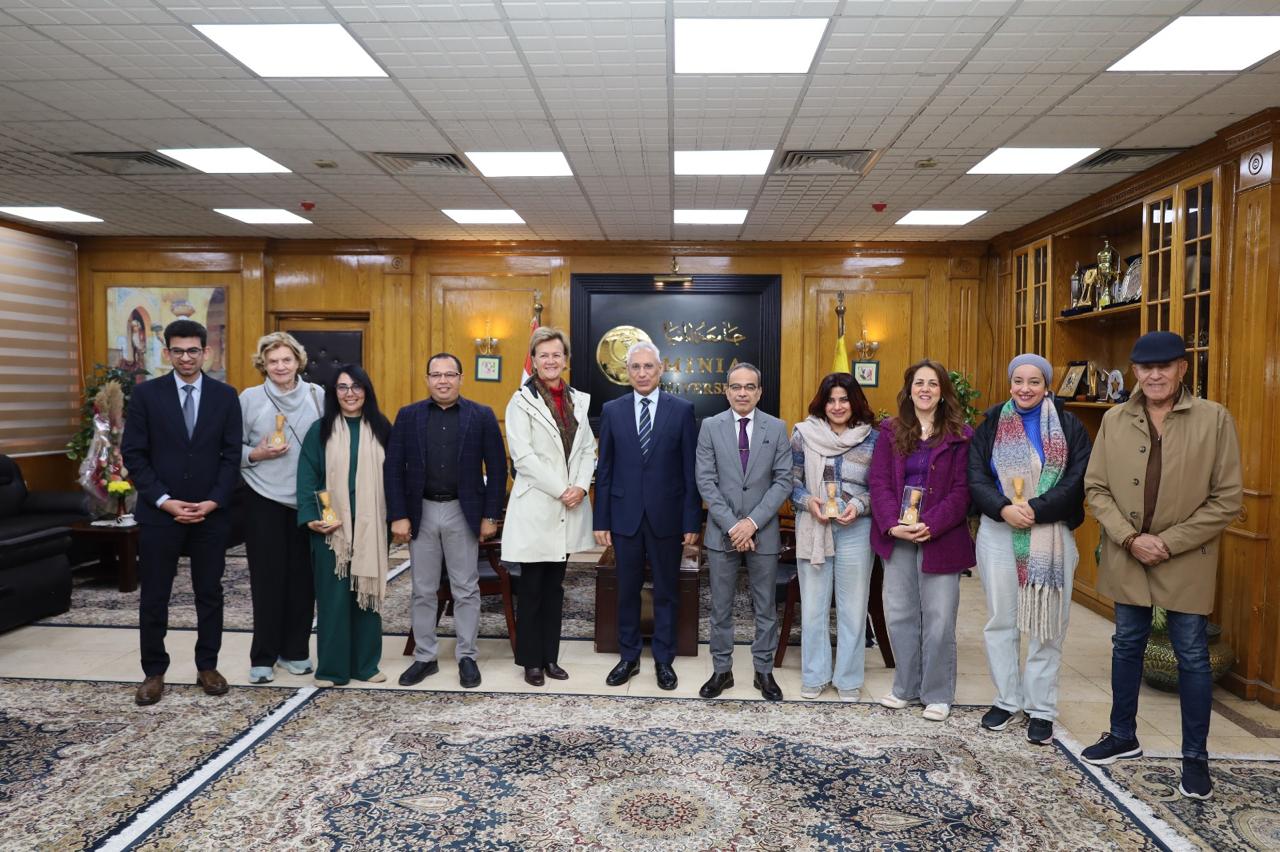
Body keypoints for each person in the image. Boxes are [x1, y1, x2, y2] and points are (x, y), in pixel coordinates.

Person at [1080, 331, 1242, 800]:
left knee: (1191, 654)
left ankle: (1195, 758)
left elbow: (1227, 499)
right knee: (1126, 644)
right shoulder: (1114, 419)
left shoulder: (1214, 419)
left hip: (1186, 557)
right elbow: (1096, 488)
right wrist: (1131, 538)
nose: (1154, 375)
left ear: (1182, 369)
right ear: (1134, 371)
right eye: (1145, 368)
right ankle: (1122, 736)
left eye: (1164, 366)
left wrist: (1167, 543)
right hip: (1127, 553)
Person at [968, 354, 1091, 745]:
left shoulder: (1069, 426)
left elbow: (1077, 480)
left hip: (1051, 532)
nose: (1025, 388)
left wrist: (1036, 509)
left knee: (1047, 624)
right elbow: (976, 477)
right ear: (1010, 384)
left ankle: (1041, 709)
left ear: (1046, 385)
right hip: (998, 530)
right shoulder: (991, 424)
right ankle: (1006, 700)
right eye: (1018, 380)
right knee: (1001, 620)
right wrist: (1003, 508)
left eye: (1034, 381)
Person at [121, 319, 241, 706]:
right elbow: (134, 454)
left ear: (206, 352)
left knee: (210, 593)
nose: (186, 357)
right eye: (178, 351)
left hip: (210, 513)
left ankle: (208, 666)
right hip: (160, 513)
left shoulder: (226, 396)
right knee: (155, 595)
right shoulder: (146, 395)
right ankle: (153, 671)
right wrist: (163, 500)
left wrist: (214, 500)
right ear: (166, 353)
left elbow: (232, 455)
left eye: (193, 350)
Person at [385, 353, 506, 689]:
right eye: (436, 375)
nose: (443, 381)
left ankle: (467, 655)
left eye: (449, 374)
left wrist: (490, 516)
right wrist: (398, 515)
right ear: (427, 379)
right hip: (421, 511)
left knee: (465, 588)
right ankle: (425, 657)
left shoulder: (481, 416)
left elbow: (498, 469)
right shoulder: (408, 416)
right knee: (423, 589)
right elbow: (393, 468)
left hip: (462, 512)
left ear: (460, 378)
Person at [868, 359, 974, 722]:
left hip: (941, 538)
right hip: (898, 536)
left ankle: (937, 694)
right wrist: (891, 525)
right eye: (918, 383)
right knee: (900, 614)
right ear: (909, 390)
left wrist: (932, 524)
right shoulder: (890, 431)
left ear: (942, 392)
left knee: (940, 619)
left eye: (932, 383)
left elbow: (963, 491)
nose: (925, 389)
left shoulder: (961, 436)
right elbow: (878, 482)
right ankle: (905, 688)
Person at [593, 341, 701, 691]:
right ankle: (628, 657)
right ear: (627, 372)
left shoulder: (681, 410)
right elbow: (605, 470)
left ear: (660, 369)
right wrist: (601, 520)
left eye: (648, 366)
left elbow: (690, 470)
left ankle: (664, 659)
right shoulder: (612, 410)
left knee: (667, 590)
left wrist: (691, 520)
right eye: (635, 367)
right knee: (626, 590)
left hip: (667, 517)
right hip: (624, 516)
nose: (642, 373)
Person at [501, 328, 597, 686]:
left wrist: (581, 486)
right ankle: (531, 661)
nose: (551, 361)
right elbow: (523, 457)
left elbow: (587, 449)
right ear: (534, 360)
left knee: (555, 587)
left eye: (557, 354)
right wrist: (562, 489)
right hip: (537, 506)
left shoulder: (579, 400)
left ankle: (550, 657)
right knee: (532, 589)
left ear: (565, 360)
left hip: (567, 507)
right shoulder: (520, 401)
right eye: (544, 355)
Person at [696, 363, 792, 701]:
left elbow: (783, 481)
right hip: (722, 532)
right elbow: (705, 481)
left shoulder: (777, 428)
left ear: (759, 392)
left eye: (749, 387)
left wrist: (752, 522)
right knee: (720, 608)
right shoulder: (710, 427)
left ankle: (763, 671)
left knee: (765, 607)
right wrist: (734, 525)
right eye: (736, 387)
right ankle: (721, 671)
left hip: (763, 532)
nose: (742, 393)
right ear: (727, 391)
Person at [296, 365, 392, 687]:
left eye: (356, 386)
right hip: (331, 531)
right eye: (342, 387)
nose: (350, 393)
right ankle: (332, 669)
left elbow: (395, 475)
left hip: (371, 527)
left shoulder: (382, 428)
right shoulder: (320, 430)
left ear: (367, 390)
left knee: (367, 592)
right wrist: (311, 516)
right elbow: (307, 475)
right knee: (333, 599)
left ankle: (366, 665)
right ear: (334, 393)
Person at [238, 332, 324, 684]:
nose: (280, 366)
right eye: (272, 361)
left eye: (286, 359)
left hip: (306, 500)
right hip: (263, 498)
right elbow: (230, 448)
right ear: (263, 364)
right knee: (267, 580)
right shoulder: (249, 398)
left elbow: (330, 442)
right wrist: (257, 453)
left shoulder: (317, 395)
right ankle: (263, 656)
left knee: (303, 580)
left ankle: (296, 651)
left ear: (298, 361)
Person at [789, 372, 879, 702]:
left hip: (856, 528)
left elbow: (880, 489)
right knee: (813, 606)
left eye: (844, 399)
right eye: (831, 400)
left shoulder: (873, 438)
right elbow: (790, 482)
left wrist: (859, 505)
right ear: (822, 403)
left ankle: (849, 679)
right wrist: (807, 502)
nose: (837, 406)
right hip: (814, 527)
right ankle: (815, 675)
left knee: (853, 608)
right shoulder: (803, 434)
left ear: (855, 402)